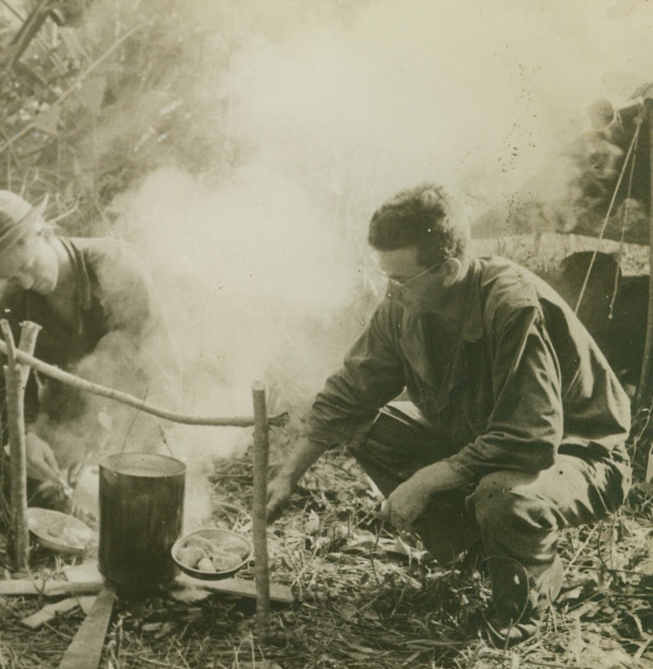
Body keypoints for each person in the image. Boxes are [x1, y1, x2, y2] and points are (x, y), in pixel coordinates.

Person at [267, 183, 631, 644]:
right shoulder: (403, 305)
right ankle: (481, 550)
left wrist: (424, 480)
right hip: (482, 440)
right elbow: (349, 394)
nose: (389, 292)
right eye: (385, 277)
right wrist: (288, 475)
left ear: (450, 270)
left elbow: (531, 439)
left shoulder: (511, 306)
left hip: (577, 453)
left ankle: (526, 598)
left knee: (503, 496)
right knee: (362, 426)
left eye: (400, 280)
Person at [0, 190, 172, 508]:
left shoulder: (114, 265)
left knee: (139, 497)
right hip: (73, 415)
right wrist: (25, 437)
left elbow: (159, 362)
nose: (25, 282)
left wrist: (142, 444)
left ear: (43, 231)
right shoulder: (12, 297)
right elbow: (2, 384)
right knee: (39, 491)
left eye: (28, 266)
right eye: (13, 275)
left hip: (137, 409)